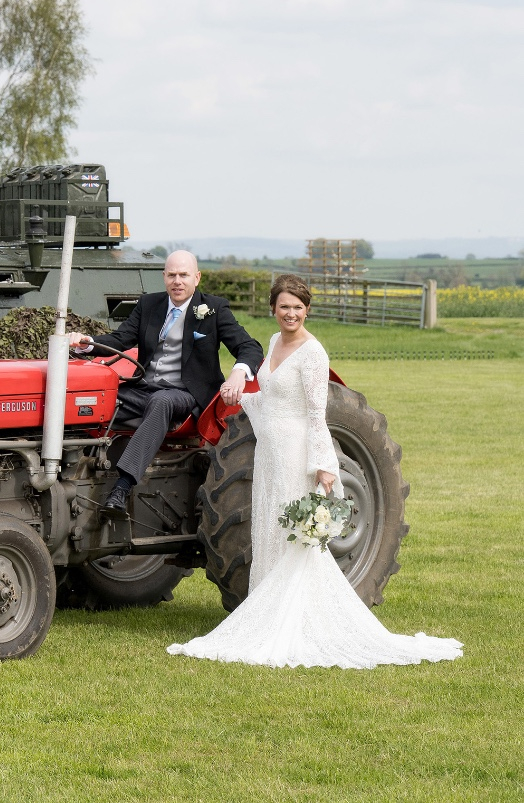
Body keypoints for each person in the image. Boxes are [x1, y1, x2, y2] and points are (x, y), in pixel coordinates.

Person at [168, 273, 463, 669]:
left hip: (294, 452)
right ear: (273, 309)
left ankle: (298, 621)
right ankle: (266, 613)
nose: (291, 314)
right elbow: (270, 399)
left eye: (298, 307)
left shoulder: (313, 353)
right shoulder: (273, 343)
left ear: (307, 310)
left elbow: (314, 415)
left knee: (294, 537)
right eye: (284, 306)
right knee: (269, 530)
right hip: (269, 453)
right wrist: (236, 396)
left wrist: (325, 468)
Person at [68, 250, 263, 514]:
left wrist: (239, 373)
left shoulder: (213, 309)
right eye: (172, 275)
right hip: (143, 388)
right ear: (164, 277)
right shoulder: (149, 305)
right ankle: (73, 470)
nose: (177, 281)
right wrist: (87, 344)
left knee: (161, 402)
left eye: (184, 275)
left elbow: (249, 346)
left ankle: (122, 487)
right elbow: (120, 340)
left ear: (197, 277)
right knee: (94, 400)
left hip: (185, 394)